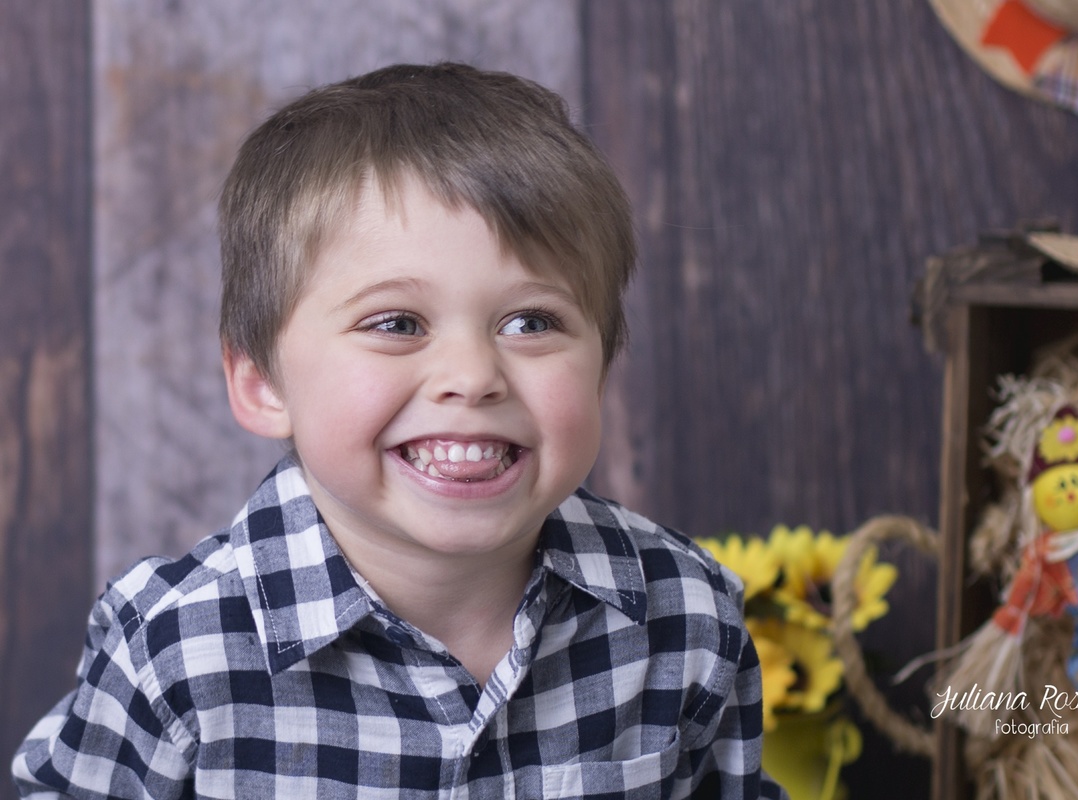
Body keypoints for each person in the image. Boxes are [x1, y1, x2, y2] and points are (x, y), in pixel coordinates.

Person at [12, 62, 785, 799]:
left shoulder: (684, 615)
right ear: (262, 383)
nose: (473, 374)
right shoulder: (174, 648)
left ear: (602, 368)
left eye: (530, 321)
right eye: (397, 323)